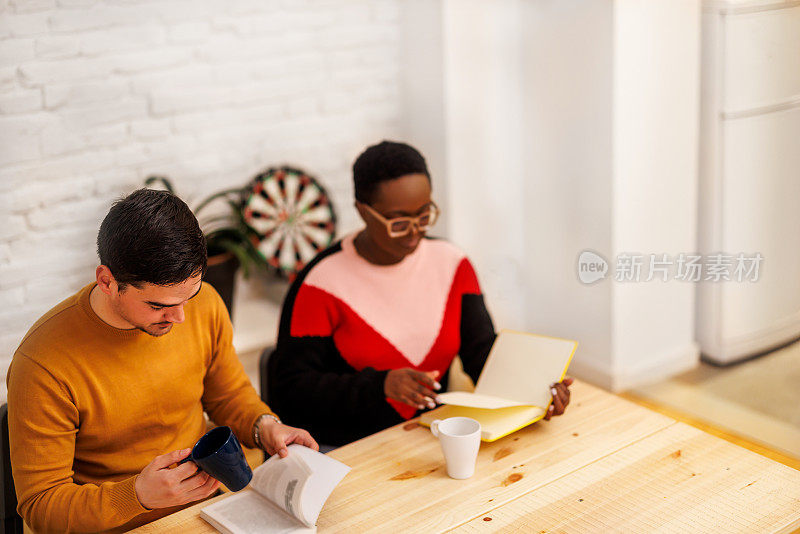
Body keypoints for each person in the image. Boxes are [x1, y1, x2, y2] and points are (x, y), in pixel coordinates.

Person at [6, 189, 317, 533]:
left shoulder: (205, 306)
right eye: (158, 306)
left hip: (205, 511)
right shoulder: (43, 363)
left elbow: (227, 395)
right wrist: (136, 496)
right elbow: (41, 507)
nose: (181, 317)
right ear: (107, 282)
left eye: (190, 295)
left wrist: (265, 427)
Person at [268, 141, 573, 446]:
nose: (415, 232)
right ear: (363, 211)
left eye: (424, 215)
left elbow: (481, 355)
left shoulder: (452, 264)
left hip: (432, 437)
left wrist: (533, 393)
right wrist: (380, 386)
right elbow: (290, 390)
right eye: (399, 222)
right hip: (349, 447)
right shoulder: (319, 283)